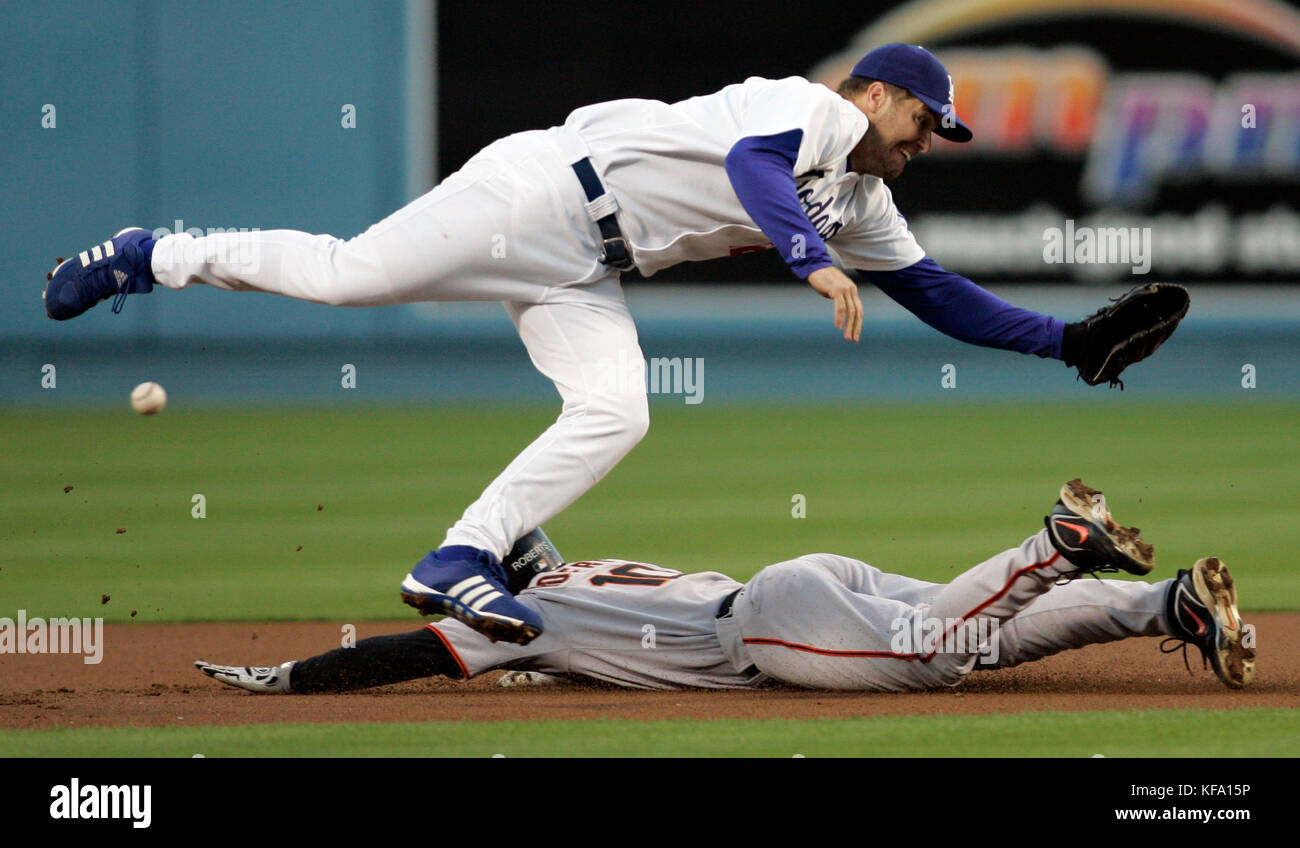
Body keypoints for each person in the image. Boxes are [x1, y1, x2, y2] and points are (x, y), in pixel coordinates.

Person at [45, 44, 1168, 647]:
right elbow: (752, 174)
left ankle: (456, 556)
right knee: (350, 277)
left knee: (619, 408)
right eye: (925, 120)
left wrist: (1065, 342)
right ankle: (158, 253)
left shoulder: (862, 198)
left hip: (586, 265)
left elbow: (935, 292)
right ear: (874, 94)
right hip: (538, 192)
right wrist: (807, 262)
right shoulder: (809, 112)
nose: (930, 141)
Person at [194, 480, 1256, 695]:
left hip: (772, 627)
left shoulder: (517, 619)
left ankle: (1055, 543)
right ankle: (1167, 604)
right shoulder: (573, 577)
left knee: (943, 650)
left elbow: (395, 656)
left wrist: (290, 676)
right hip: (798, 584)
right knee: (979, 631)